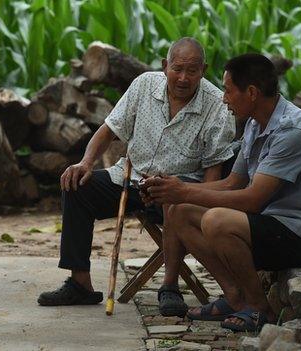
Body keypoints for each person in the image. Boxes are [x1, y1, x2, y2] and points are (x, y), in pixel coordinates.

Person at [142, 53, 301, 332]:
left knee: (216, 220)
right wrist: (171, 191)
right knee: (179, 212)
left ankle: (260, 309)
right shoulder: (255, 124)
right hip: (271, 224)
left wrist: (183, 189)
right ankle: (235, 298)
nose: (224, 99)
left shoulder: (293, 130)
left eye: (227, 90)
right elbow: (232, 183)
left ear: (252, 93)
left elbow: (253, 200)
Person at [37, 38, 236, 311]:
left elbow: (213, 171)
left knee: (175, 203)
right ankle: (80, 283)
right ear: (165, 66)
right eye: (177, 69)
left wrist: (199, 201)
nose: (183, 78)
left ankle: (170, 287)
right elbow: (109, 129)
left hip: (176, 189)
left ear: (204, 69)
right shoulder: (144, 85)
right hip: (129, 178)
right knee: (77, 185)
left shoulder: (216, 105)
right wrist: (85, 162)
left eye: (192, 71)